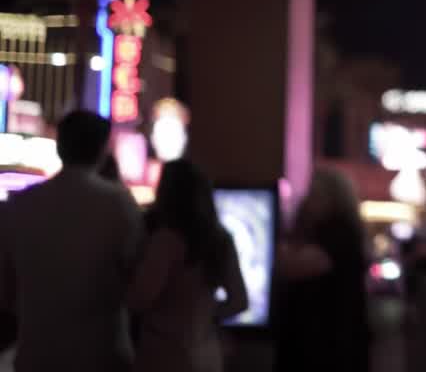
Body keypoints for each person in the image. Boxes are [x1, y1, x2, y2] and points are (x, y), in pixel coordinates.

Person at [0, 110, 143, 372]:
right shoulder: (118, 203)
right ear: (102, 150)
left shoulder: (20, 205)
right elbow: (136, 283)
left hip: (37, 353)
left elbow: (6, 292)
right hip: (100, 352)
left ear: (60, 146)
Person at [126, 159, 247, 372]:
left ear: (167, 192)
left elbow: (139, 299)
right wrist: (207, 313)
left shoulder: (167, 239)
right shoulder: (221, 239)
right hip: (207, 352)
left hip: (165, 353)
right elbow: (239, 301)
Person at [274, 168, 371, 372]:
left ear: (333, 198)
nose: (309, 199)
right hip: (325, 340)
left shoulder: (340, 233)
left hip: (326, 342)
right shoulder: (331, 231)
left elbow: (293, 267)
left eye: (315, 193)